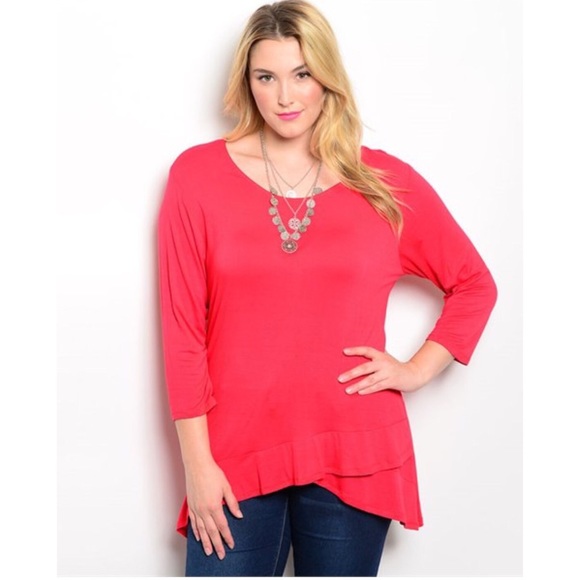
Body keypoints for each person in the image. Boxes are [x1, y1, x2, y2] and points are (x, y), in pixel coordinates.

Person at [156, 0, 497, 576]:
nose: (285, 97)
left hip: (355, 449)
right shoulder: (197, 176)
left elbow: (473, 284)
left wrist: (415, 370)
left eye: (302, 74)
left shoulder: (383, 182)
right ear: (247, 82)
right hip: (234, 455)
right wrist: (197, 464)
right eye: (266, 77)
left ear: (327, 78)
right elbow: (182, 330)